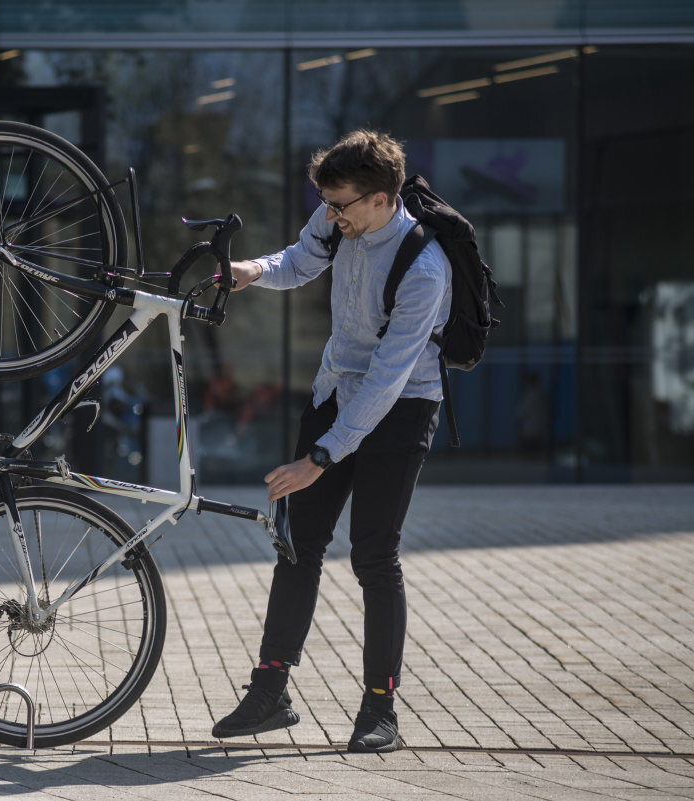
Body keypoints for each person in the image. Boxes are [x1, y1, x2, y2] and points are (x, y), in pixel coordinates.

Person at [213, 129, 451, 753]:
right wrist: (249, 271)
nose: (330, 215)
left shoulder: (424, 267)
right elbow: (299, 261)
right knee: (298, 547)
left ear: (379, 200)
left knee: (374, 556)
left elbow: (387, 378)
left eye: (340, 205)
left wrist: (322, 457)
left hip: (400, 409)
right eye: (325, 203)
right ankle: (269, 694)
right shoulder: (337, 215)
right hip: (334, 394)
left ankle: (380, 709)